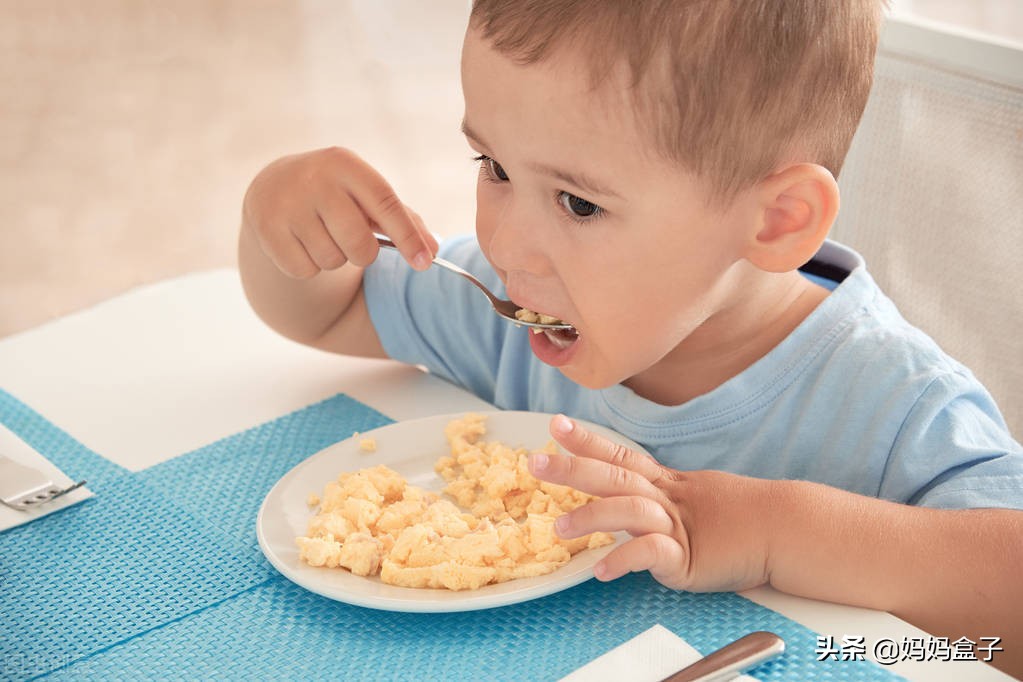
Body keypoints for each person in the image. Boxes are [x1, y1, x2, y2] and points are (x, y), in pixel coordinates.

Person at [238, 1, 1023, 675]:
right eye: (495, 167)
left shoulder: (897, 405)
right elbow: (326, 312)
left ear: (775, 221)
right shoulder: (514, 309)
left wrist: (768, 531)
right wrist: (280, 218)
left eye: (578, 205)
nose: (507, 246)